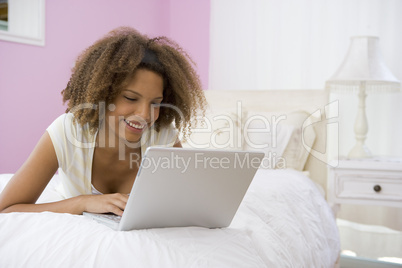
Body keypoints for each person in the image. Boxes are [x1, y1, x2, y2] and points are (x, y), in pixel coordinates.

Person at [0, 27, 206, 216]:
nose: (144, 114)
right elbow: (7, 208)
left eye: (156, 103)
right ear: (104, 95)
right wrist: (82, 203)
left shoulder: (163, 136)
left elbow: (190, 200)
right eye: (131, 98)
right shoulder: (67, 131)